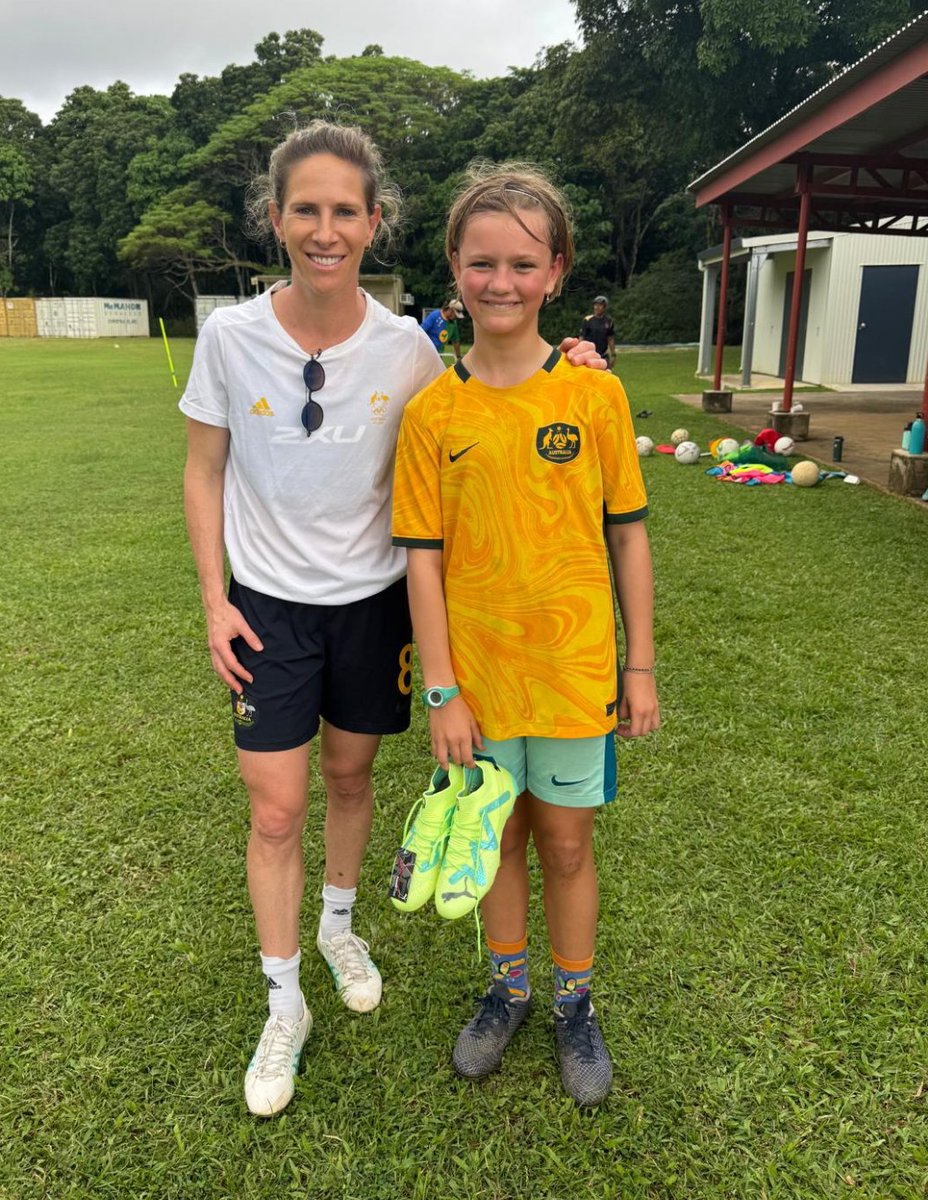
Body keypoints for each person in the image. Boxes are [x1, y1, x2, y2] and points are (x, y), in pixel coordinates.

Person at [180, 122, 611, 1118]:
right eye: (305, 209)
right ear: (276, 219)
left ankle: (339, 924)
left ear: (375, 223)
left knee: (348, 776)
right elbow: (205, 469)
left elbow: (493, 386)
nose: (324, 229)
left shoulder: (409, 350)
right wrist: (214, 600)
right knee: (276, 806)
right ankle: (284, 1003)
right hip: (268, 615)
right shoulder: (228, 338)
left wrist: (578, 362)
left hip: (378, 613)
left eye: (344, 210)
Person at [392, 163, 660, 1106]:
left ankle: (573, 1003)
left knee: (569, 846)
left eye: (520, 264)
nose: (499, 283)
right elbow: (423, 559)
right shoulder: (433, 413)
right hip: (478, 682)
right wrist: (442, 690)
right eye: (480, 264)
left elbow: (626, 534)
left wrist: (640, 664)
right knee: (492, 841)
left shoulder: (596, 397)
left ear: (555, 272)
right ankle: (506, 990)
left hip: (577, 670)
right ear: (455, 270)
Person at [580, 294, 616, 367]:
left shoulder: (609, 321)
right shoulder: (587, 320)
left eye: (600, 305)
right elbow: (581, 338)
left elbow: (610, 338)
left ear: (604, 307)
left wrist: (613, 354)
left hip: (603, 355)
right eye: (596, 305)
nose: (597, 307)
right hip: (590, 355)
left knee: (606, 375)